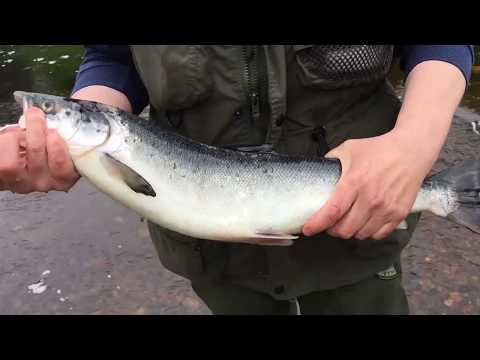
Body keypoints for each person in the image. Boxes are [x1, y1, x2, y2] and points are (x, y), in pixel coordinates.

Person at [0, 45, 473, 314]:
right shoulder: (103, 144)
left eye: (50, 112)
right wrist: (73, 121)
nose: (42, 115)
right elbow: (114, 55)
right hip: (216, 260)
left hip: (363, 221)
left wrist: (413, 148)